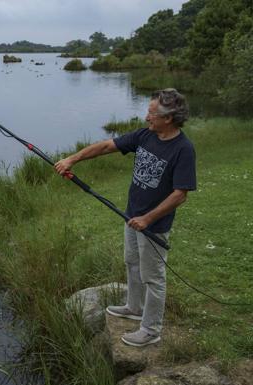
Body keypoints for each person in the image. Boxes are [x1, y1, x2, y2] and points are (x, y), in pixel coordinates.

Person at [54, 89, 196, 347]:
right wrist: (72, 159)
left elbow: (180, 194)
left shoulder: (183, 149)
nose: (146, 117)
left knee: (153, 276)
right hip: (131, 216)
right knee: (131, 262)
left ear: (169, 118)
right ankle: (134, 306)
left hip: (154, 225)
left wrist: (148, 219)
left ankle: (151, 330)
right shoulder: (145, 135)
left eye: (152, 113)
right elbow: (108, 145)